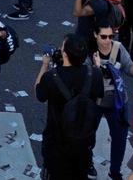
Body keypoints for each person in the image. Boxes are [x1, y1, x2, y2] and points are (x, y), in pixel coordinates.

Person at [34, 34, 103, 179]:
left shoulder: (51, 77)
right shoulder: (95, 74)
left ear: (65, 54)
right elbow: (98, 100)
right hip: (84, 143)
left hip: (56, 145)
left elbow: (39, 93)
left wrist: (45, 65)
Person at [91, 23, 133, 180]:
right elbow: (84, 78)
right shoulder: (89, 50)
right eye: (103, 36)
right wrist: (97, 69)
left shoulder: (118, 48)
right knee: (88, 135)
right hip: (94, 100)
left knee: (119, 139)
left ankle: (115, 171)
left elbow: (132, 72)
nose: (107, 40)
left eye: (111, 36)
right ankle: (87, 163)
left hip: (117, 101)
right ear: (95, 35)